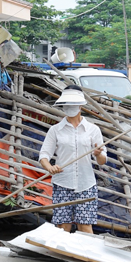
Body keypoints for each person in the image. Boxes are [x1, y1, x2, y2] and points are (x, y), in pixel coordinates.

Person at [39, 86, 106, 234]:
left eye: (73, 104)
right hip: (62, 184)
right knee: (63, 227)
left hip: (86, 185)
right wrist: (50, 167)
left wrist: (97, 154)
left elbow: (102, 161)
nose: (69, 107)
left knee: (85, 227)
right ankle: (62, 256)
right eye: (67, 104)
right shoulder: (55, 130)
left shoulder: (93, 130)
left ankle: (87, 257)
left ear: (80, 105)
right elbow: (44, 156)